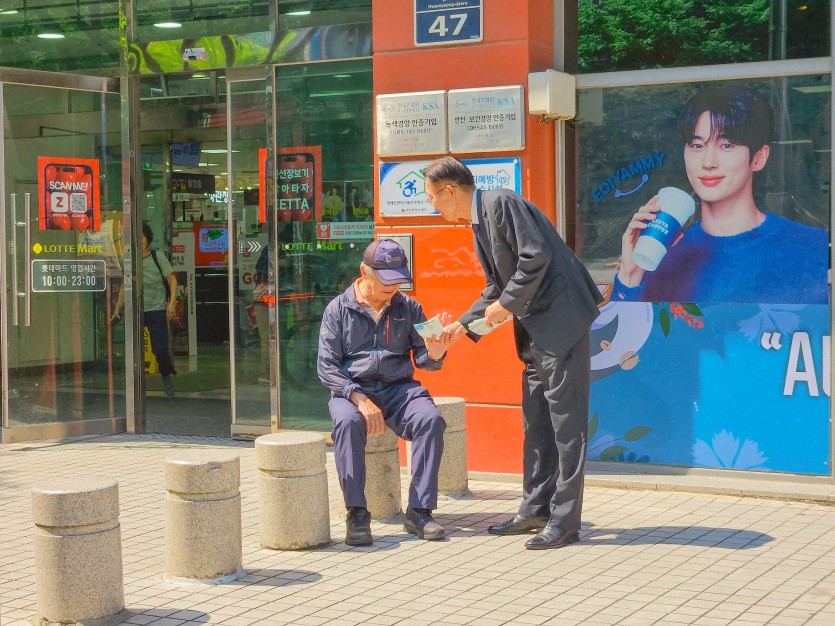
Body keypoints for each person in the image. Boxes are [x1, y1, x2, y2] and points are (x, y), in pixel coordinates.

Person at [424, 156, 603, 550]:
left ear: (450, 191)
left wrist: (505, 305)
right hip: (535, 332)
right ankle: (535, 509)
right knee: (536, 423)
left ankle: (565, 521)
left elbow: (535, 255)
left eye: (432, 197)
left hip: (562, 324)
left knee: (567, 427)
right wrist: (461, 327)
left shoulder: (500, 202)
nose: (432, 206)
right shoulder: (480, 221)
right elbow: (496, 287)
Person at [612, 85, 828, 304]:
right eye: (697, 145)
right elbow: (622, 326)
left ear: (759, 158)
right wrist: (631, 275)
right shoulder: (661, 254)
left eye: (726, 145)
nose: (708, 162)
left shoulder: (814, 247)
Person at [317, 239, 453, 546]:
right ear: (364, 272)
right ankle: (357, 513)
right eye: (385, 280)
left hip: (398, 389)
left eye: (398, 279)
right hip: (352, 391)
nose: (393, 287)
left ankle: (419, 511)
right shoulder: (338, 309)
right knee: (347, 423)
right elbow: (326, 366)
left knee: (430, 419)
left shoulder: (409, 307)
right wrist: (358, 397)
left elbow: (424, 359)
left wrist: (435, 353)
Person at [112, 222, 178, 397]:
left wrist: (171, 303)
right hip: (136, 310)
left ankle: (166, 375)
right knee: (133, 349)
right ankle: (135, 384)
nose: (138, 242)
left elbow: (172, 280)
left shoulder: (157, 257)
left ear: (147, 239)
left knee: (160, 348)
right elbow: (125, 285)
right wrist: (118, 307)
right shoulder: (129, 260)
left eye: (141, 238)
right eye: (135, 238)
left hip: (156, 309)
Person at [252, 245, 274, 385]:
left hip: (263, 297)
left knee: (267, 339)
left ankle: (267, 371)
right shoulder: (271, 253)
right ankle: (266, 371)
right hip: (266, 297)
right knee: (267, 339)